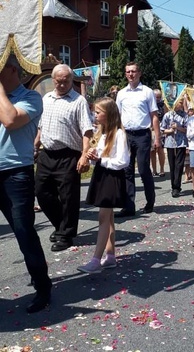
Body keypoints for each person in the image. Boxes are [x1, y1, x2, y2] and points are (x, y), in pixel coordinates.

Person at [0, 54, 52, 313]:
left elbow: (10, 120)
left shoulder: (31, 98)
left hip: (15, 174)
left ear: (10, 69)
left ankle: (43, 287)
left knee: (23, 233)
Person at [35, 64, 93, 251]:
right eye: (58, 81)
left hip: (69, 154)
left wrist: (84, 155)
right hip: (47, 153)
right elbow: (41, 126)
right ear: (53, 80)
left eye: (65, 81)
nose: (61, 85)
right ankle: (61, 225)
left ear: (71, 80)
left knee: (68, 197)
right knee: (42, 192)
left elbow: (87, 131)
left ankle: (66, 235)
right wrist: (35, 144)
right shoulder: (47, 98)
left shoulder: (78, 101)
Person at [78, 97, 130, 273]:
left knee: (103, 217)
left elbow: (122, 161)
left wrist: (101, 160)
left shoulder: (119, 133)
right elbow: (101, 157)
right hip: (102, 175)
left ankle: (95, 260)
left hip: (112, 177)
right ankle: (110, 255)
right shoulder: (102, 133)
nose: (95, 115)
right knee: (109, 218)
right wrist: (94, 157)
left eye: (98, 112)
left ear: (108, 115)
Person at [115, 62, 161, 216]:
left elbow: (154, 116)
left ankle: (150, 201)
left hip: (142, 135)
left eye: (133, 71)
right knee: (126, 170)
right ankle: (129, 206)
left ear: (139, 73)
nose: (130, 74)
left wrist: (157, 138)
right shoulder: (121, 93)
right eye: (128, 71)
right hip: (127, 135)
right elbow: (118, 117)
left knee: (142, 169)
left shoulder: (147, 92)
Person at [161, 102, 188, 198]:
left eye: (181, 103)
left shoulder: (184, 115)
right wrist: (170, 131)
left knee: (179, 165)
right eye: (179, 103)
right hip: (170, 143)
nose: (180, 104)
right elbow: (162, 129)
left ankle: (177, 186)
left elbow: (186, 129)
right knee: (172, 165)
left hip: (181, 143)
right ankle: (173, 185)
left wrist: (178, 128)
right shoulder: (168, 115)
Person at [151, 88, 166, 177]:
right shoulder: (149, 105)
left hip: (160, 129)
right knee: (152, 151)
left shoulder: (163, 105)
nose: (158, 99)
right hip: (151, 129)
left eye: (159, 97)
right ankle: (154, 170)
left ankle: (162, 169)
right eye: (156, 97)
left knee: (160, 149)